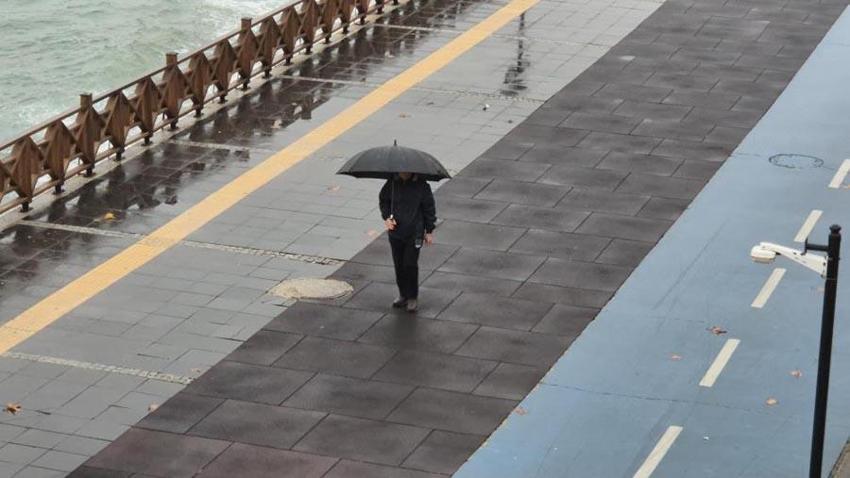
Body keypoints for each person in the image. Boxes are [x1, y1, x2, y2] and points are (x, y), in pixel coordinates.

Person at [379, 172, 436, 313]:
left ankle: (412, 297)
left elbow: (429, 208)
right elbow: (383, 200)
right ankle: (403, 294)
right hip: (396, 232)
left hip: (414, 233)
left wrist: (429, 230)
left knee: (410, 264)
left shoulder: (422, 186)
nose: (402, 174)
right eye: (400, 171)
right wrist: (386, 217)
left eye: (405, 172)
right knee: (399, 265)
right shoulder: (391, 183)